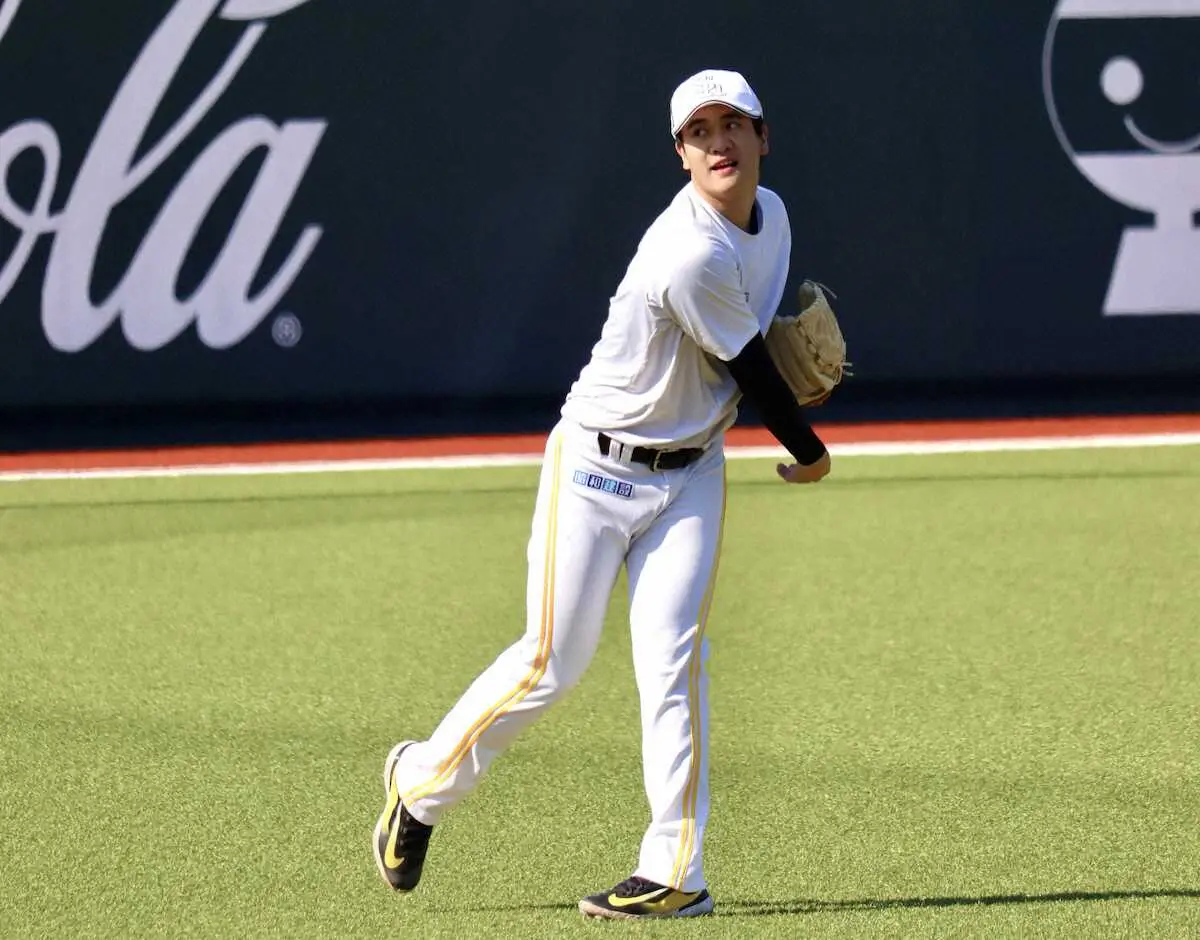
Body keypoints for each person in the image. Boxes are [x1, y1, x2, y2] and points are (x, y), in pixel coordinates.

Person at [373, 67, 832, 921]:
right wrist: (810, 453)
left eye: (733, 124)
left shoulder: (773, 218)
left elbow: (740, 355)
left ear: (764, 137)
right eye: (699, 132)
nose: (719, 142)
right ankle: (421, 785)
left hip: (691, 471)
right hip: (595, 469)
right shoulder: (688, 251)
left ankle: (675, 871)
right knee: (551, 663)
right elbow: (753, 373)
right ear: (680, 155)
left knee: (675, 662)